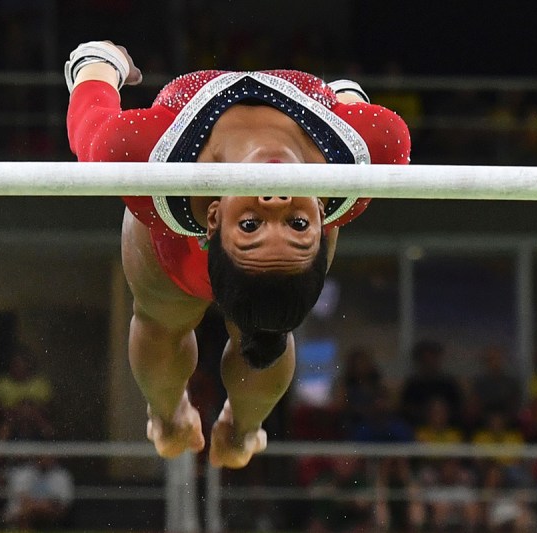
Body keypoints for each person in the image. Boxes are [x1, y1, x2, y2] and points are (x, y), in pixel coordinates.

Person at [65, 40, 411, 468]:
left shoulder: (146, 159)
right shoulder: (364, 152)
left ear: (215, 219)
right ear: (321, 213)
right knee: (253, 326)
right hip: (226, 226)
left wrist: (98, 65)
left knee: (161, 323)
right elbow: (366, 126)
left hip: (178, 240)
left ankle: (228, 424)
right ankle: (200, 423)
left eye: (251, 226)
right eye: (297, 225)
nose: (274, 200)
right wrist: (345, 103)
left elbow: (91, 129)